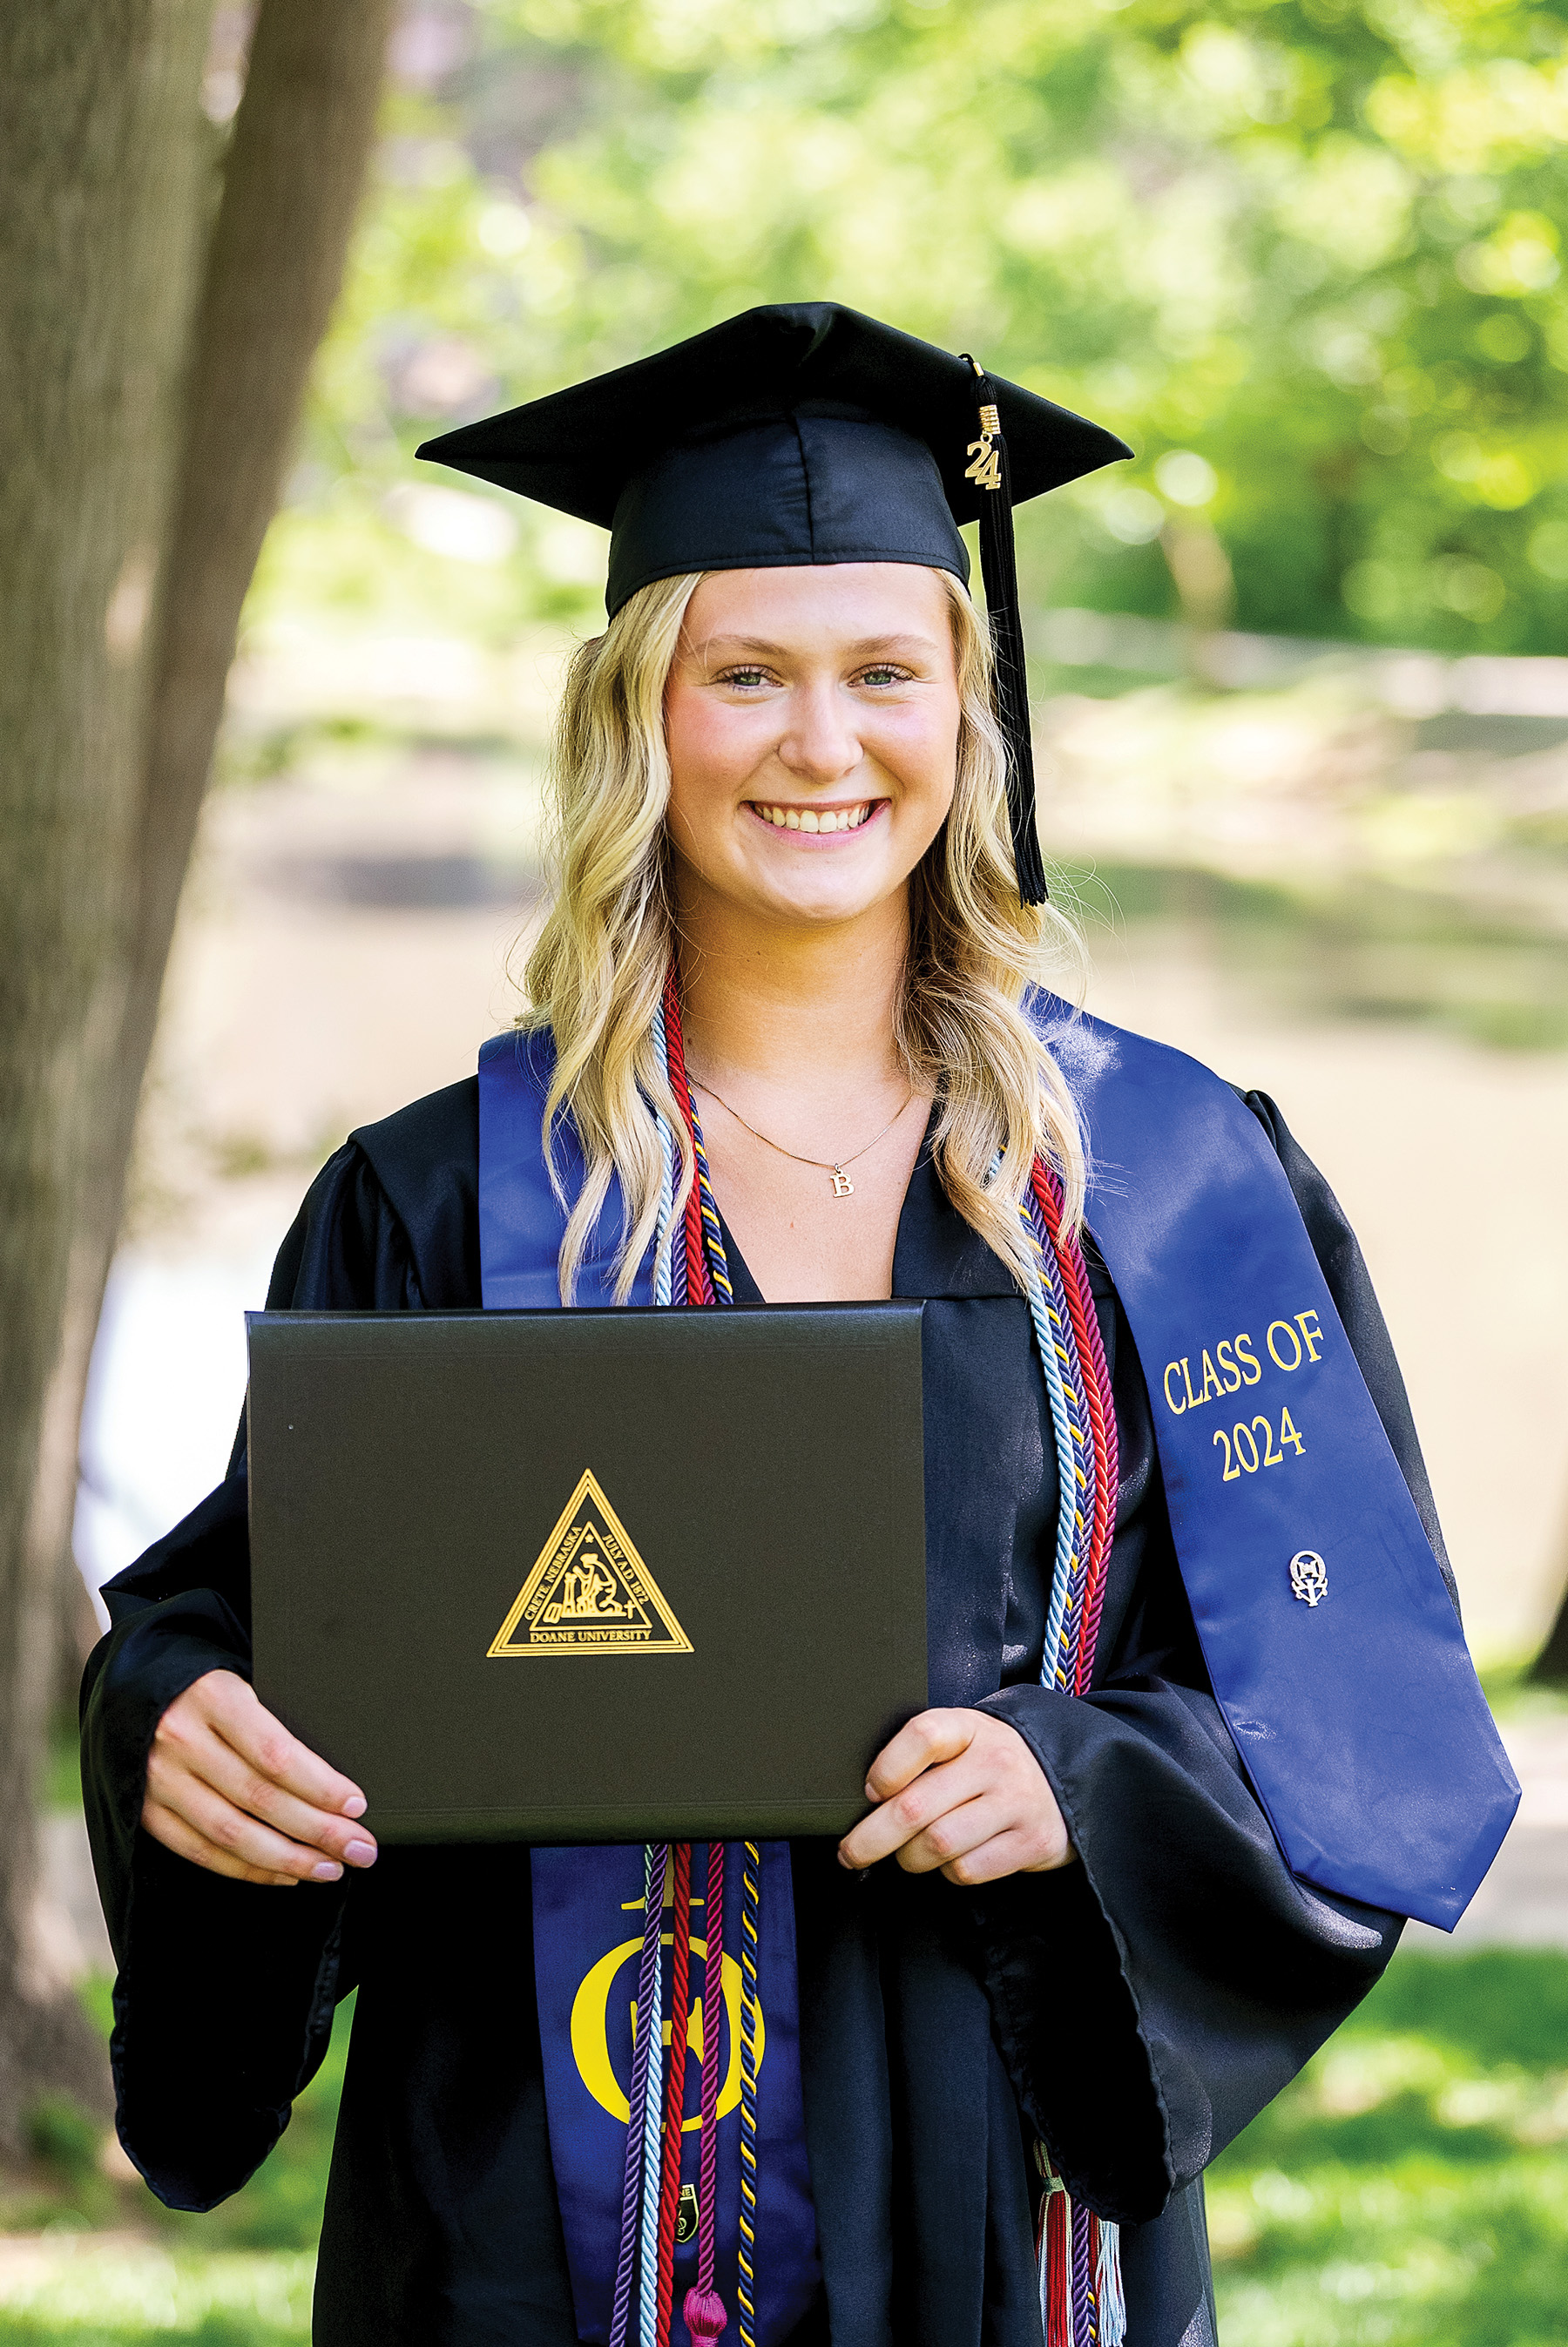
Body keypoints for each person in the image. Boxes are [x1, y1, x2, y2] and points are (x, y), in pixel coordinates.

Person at [81, 304, 1515, 2347]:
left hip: (1001, 2220)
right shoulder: (440, 1195)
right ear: (634, 717)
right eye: (741, 673)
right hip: (523, 2224)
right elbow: (241, 1615)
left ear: (968, 706)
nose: (819, 744)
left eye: (882, 674)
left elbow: (1354, 1698)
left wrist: (1087, 1786)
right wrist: (180, 1731)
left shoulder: (1171, 1186)